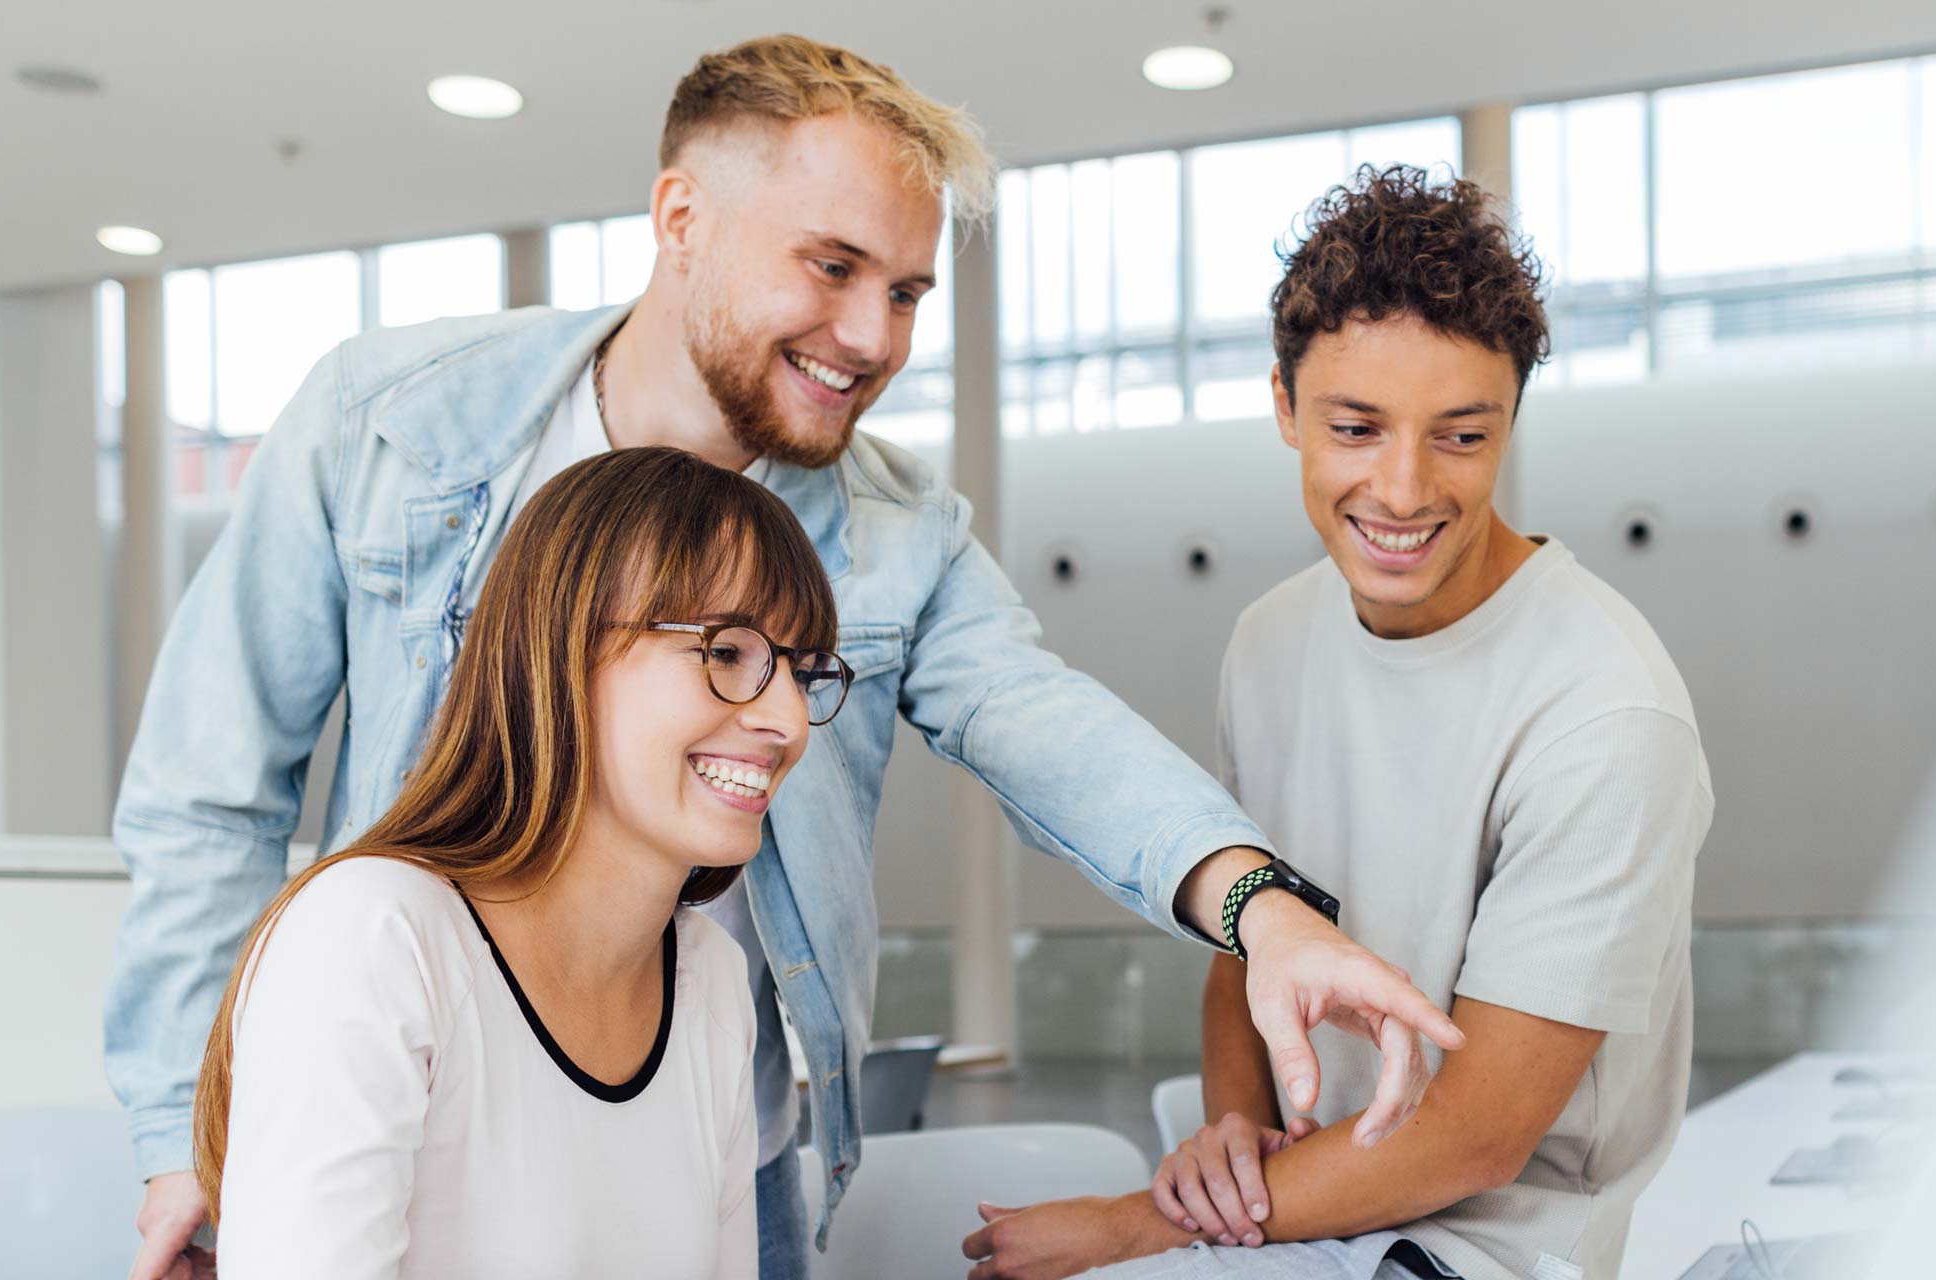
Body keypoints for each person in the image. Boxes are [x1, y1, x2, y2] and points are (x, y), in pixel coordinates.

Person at [112, 38, 1462, 1280]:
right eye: (831, 267)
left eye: (908, 293)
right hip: (434, 1114)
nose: (874, 338)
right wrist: (191, 1132)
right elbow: (209, 792)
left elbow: (1041, 723)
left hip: (723, 1140)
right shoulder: (391, 430)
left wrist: (1263, 910)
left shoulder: (890, 535)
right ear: (680, 219)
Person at [963, 166, 1714, 1280]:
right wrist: (1230, 1138)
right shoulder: (1270, 638)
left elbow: (1478, 1133)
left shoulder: (1607, 710)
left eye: (1461, 435)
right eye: (1355, 427)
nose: (1402, 489)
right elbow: (1249, 934)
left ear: (1511, 417)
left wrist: (1145, 1220)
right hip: (1301, 1196)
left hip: (1488, 1244)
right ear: (1282, 404)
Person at [199, 447, 843, 1278]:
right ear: (561, 651)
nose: (788, 721)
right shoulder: (374, 934)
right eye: (728, 654)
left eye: (803, 670)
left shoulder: (711, 980)